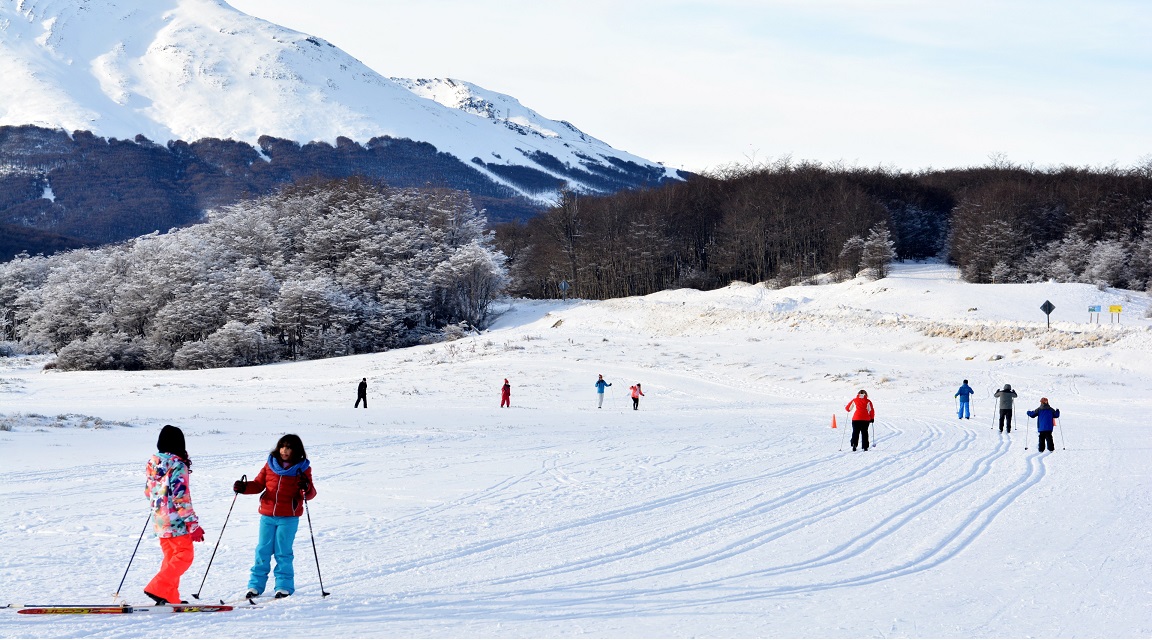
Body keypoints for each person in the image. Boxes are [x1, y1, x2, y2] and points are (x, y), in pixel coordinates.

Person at [234, 434, 318, 599]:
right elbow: (258, 484)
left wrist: (305, 487)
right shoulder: (270, 464)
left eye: (288, 447)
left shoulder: (302, 468)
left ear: (296, 450)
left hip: (288, 517)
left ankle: (283, 586)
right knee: (262, 550)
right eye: (282, 446)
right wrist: (243, 487)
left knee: (283, 552)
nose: (284, 450)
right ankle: (255, 587)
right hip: (267, 514)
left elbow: (310, 493)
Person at [143, 424, 204, 605]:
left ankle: (169, 596)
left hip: (160, 520)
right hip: (176, 521)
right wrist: (193, 525)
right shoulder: (177, 465)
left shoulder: (153, 463)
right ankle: (158, 587)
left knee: (171, 558)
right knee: (184, 555)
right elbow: (181, 498)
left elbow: (148, 492)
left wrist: (158, 505)